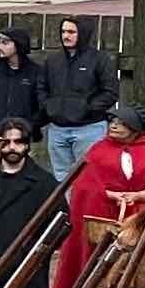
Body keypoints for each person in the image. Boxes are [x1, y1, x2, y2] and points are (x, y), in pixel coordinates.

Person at [51, 105, 145, 288]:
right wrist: (110, 195)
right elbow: (85, 184)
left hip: (143, 216)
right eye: (113, 122)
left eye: (121, 123)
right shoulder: (99, 149)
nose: (113, 126)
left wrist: (141, 196)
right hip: (105, 216)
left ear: (135, 128)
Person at [0, 122, 58, 279]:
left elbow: (59, 226)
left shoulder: (44, 183)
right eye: (6, 142)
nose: (12, 147)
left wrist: (34, 251)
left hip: (25, 271)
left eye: (18, 142)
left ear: (27, 145)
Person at [40, 17, 119, 181]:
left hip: (89, 129)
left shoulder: (99, 59)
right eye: (63, 31)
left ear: (82, 34)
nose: (66, 36)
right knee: (61, 179)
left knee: (90, 177)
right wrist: (50, 107)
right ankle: (68, 208)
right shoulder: (53, 61)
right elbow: (41, 88)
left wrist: (86, 109)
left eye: (71, 32)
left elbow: (110, 92)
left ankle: (86, 208)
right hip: (57, 129)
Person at [0, 27, 51, 147]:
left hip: (27, 141)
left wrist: (28, 126)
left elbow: (46, 106)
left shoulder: (37, 74)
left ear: (19, 45)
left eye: (5, 43)